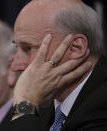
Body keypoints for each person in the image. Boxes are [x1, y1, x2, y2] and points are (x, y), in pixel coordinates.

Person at [10, 0, 107, 130]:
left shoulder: (102, 105)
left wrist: (25, 105)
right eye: (17, 47)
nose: (15, 66)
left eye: (28, 48)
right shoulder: (44, 99)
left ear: (75, 47)